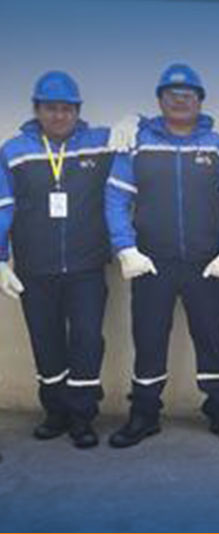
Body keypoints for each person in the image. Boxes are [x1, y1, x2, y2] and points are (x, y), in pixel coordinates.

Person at [104, 63, 219, 447]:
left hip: (207, 264)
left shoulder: (218, 147)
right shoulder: (138, 145)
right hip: (151, 263)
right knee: (149, 339)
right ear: (159, 100)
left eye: (188, 95)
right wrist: (125, 248)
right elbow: (115, 199)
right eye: (172, 94)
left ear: (200, 101)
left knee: (211, 338)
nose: (181, 101)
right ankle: (144, 415)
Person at [0, 71, 114, 448]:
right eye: (51, 108)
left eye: (67, 108)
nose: (60, 115)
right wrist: (0, 258)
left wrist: (137, 121)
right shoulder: (14, 151)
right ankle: (55, 412)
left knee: (87, 341)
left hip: (86, 268)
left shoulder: (100, 144)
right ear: (37, 110)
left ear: (78, 111)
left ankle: (82, 416)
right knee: (45, 341)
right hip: (35, 269)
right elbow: (2, 207)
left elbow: (151, 138)